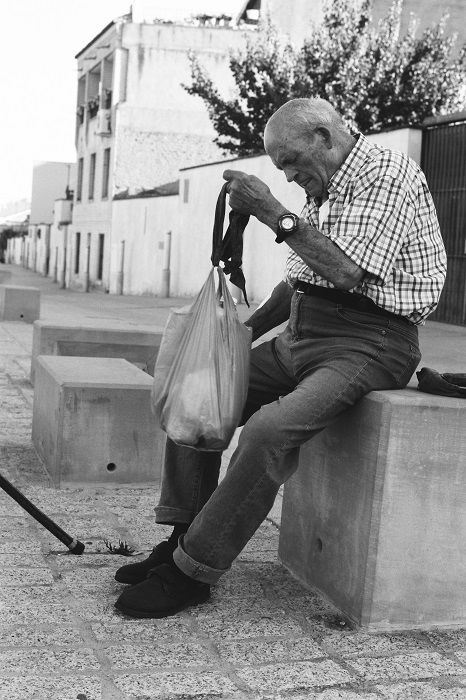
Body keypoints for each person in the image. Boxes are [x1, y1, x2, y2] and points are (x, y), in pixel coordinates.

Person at [114, 97, 447, 618]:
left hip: (373, 341)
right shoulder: (326, 185)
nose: (290, 176)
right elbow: (301, 281)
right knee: (202, 391)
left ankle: (192, 571)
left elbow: (345, 272)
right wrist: (236, 340)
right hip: (304, 330)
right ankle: (183, 536)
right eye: (281, 169)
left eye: (292, 161)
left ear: (323, 136)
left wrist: (271, 210)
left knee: (268, 432)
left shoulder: (387, 174)